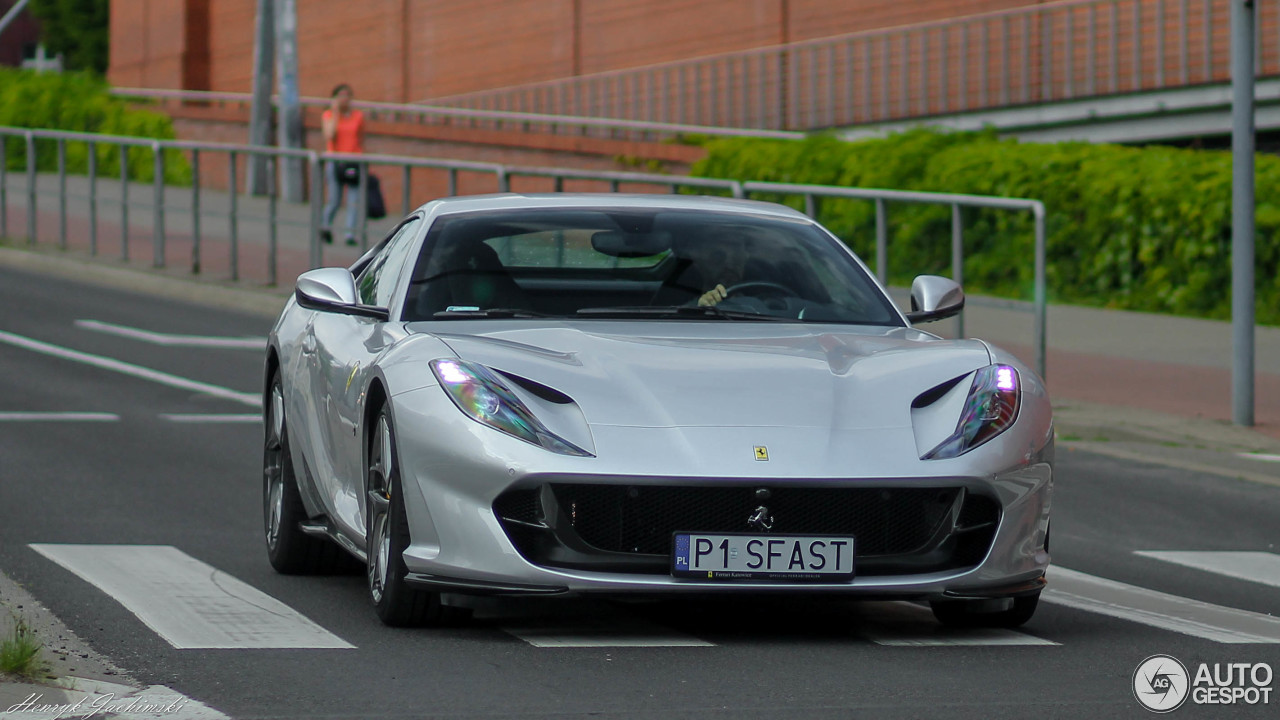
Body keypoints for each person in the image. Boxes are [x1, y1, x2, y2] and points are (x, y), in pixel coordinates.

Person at [320, 83, 365, 246]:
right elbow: (329, 135)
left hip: (354, 160)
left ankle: (350, 234)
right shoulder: (328, 116)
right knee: (335, 200)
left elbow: (360, 137)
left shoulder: (358, 116)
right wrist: (336, 113)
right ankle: (325, 226)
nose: (344, 99)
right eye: (341, 96)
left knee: (353, 200)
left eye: (347, 95)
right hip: (335, 161)